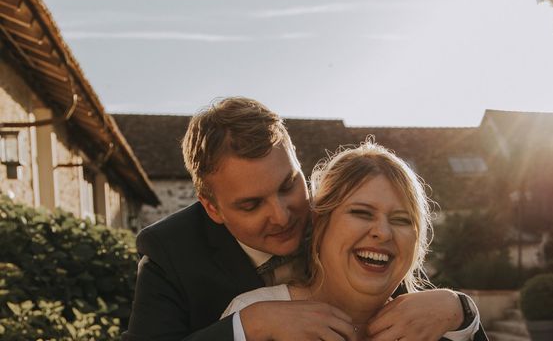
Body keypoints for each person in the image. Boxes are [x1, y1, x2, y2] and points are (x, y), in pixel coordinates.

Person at [123, 97, 485, 341]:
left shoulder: (338, 219)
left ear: (299, 166)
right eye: (251, 205)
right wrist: (250, 325)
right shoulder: (170, 252)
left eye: (288, 186)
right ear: (212, 208)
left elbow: (393, 287)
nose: (283, 215)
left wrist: (460, 310)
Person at [221, 141, 481, 341]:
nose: (383, 232)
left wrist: (462, 312)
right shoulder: (253, 315)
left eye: (401, 220)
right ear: (320, 224)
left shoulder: (440, 324)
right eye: (361, 213)